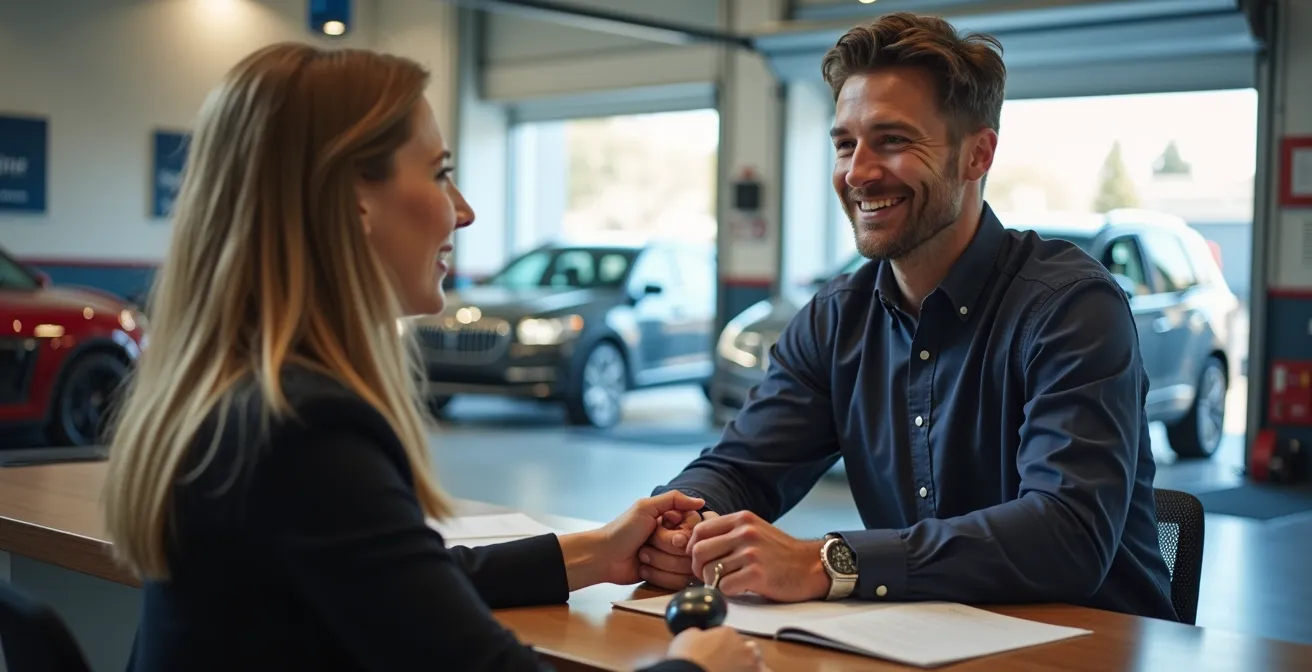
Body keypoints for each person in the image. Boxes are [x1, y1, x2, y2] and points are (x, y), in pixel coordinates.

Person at [102, 43, 766, 672]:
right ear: (353, 199)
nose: (465, 211)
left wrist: (593, 552)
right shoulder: (308, 432)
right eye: (440, 173)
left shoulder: (239, 393)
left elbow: (397, 583)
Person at [636, 12, 1177, 622]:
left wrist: (827, 562)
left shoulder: (1071, 308)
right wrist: (683, 520)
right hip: (918, 640)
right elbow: (741, 467)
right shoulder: (837, 318)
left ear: (978, 155)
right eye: (845, 143)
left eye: (893, 140)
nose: (858, 172)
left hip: (1081, 649)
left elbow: (1067, 534)